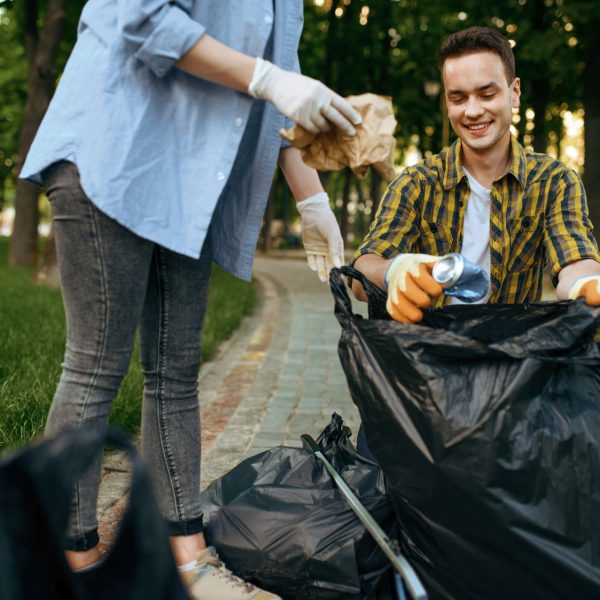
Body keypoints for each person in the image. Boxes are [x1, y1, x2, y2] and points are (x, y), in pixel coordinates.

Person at [19, 2, 363, 599]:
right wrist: (267, 79)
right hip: (112, 151)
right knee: (97, 366)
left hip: (192, 177)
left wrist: (313, 201)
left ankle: (185, 556)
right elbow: (143, 18)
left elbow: (281, 83)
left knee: (175, 374)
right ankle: (69, 559)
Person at [351, 26, 600, 323]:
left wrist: (586, 285)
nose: (472, 111)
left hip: (512, 358)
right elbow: (361, 274)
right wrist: (394, 270)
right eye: (458, 98)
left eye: (487, 94)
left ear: (514, 92)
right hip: (425, 356)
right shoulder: (415, 183)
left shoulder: (553, 181)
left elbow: (575, 258)